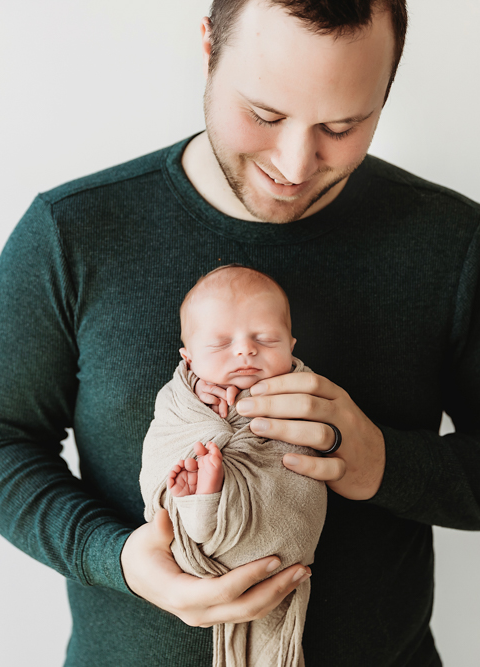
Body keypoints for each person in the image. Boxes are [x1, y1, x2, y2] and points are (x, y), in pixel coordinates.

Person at [0, 1, 480, 665]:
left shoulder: (450, 243)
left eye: (343, 125)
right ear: (207, 48)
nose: (295, 163)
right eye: (264, 114)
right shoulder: (72, 233)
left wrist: (382, 461)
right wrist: (117, 559)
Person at [140, 265, 326, 667]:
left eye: (265, 338)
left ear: (292, 345)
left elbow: (317, 434)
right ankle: (202, 499)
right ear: (188, 359)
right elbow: (168, 433)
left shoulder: (303, 388)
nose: (245, 350)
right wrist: (192, 390)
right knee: (191, 464)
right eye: (220, 344)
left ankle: (207, 499)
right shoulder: (182, 398)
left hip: (277, 515)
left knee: (223, 474)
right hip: (168, 577)